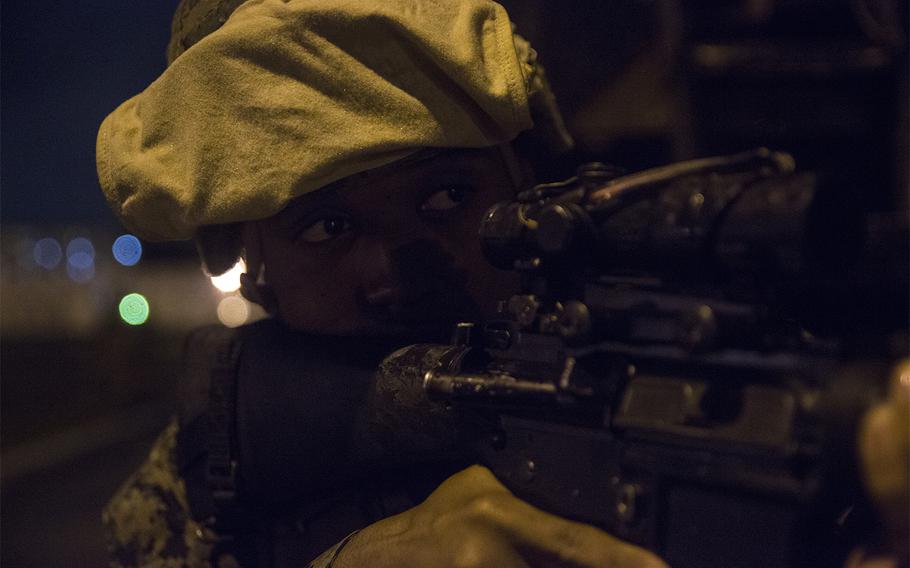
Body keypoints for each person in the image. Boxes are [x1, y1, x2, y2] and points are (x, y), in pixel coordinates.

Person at [96, 1, 908, 567]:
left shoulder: (675, 360)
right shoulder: (204, 482)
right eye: (328, 228)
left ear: (525, 189)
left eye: (449, 197)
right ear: (251, 258)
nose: (398, 274)